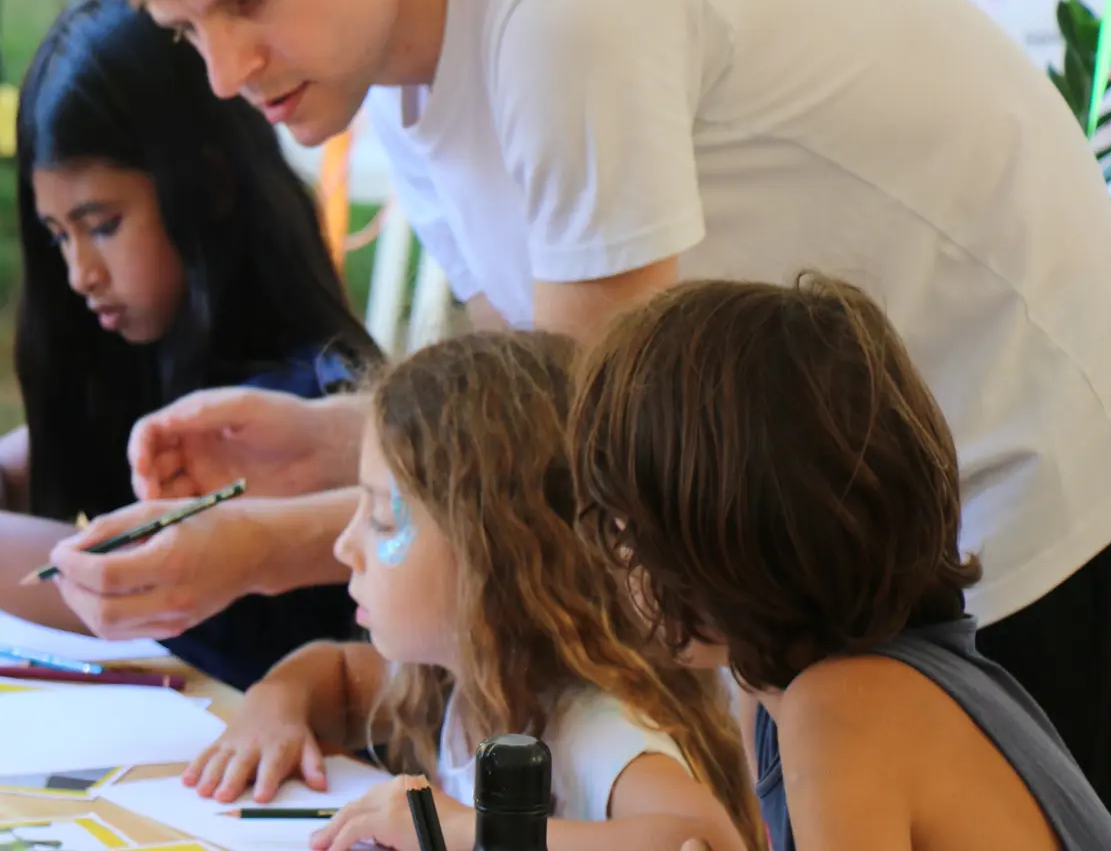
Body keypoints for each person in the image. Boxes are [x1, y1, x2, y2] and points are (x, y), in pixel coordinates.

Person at [85, 0, 1111, 845]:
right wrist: (338, 444)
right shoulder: (395, 84)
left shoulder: (568, 8)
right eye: (186, 31)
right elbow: (518, 413)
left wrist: (261, 549)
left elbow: (556, 467)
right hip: (788, 546)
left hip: (1017, 481)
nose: (224, 72)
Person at [570, 274, 1111, 851]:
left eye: (624, 527)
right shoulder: (767, 689)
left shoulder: (840, 712)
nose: (620, 559)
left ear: (725, 546)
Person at [183, 331, 761, 851]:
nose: (344, 545)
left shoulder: (582, 721)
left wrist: (456, 829)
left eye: (383, 517)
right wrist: (273, 706)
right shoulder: (466, 685)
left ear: (497, 555)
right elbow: (334, 673)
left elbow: (703, 839)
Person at [0, 0, 381, 690]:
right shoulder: (144, 348)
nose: (79, 273)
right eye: (58, 236)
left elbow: (130, 579)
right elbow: (35, 458)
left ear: (206, 185)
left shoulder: (299, 392)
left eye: (104, 223)